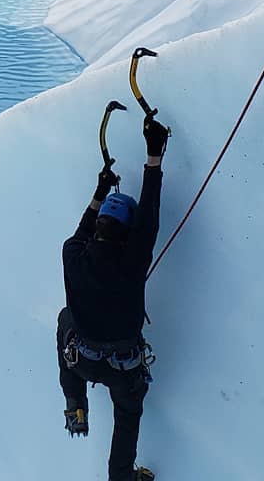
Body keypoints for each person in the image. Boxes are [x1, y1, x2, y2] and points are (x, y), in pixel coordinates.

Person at [56, 108, 170, 481]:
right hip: (124, 369)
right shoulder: (132, 261)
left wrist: (100, 191)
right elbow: (150, 218)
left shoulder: (72, 255)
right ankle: (121, 478)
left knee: (64, 320)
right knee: (127, 418)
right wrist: (154, 157)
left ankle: (75, 402)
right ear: (127, 233)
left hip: (81, 359)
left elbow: (82, 230)